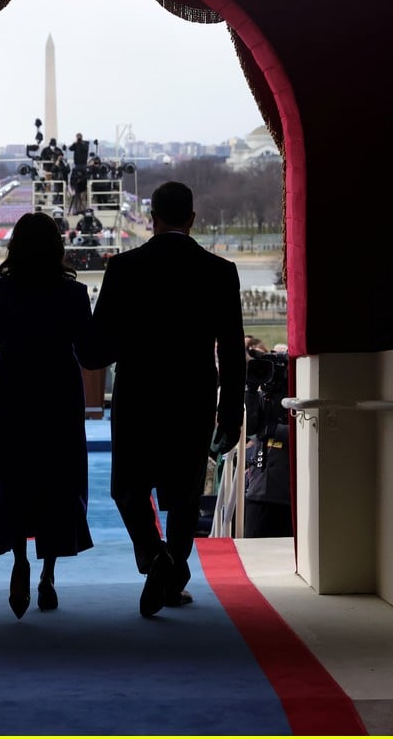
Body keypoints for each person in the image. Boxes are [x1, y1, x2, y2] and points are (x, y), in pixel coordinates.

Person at [84, 181, 245, 617]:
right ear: (192, 219)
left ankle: (156, 558)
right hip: (193, 398)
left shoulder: (124, 269)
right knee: (184, 496)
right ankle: (172, 579)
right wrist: (230, 414)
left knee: (128, 489)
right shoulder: (219, 271)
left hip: (138, 396)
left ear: (151, 219)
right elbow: (232, 351)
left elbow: (98, 350)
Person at [0, 211, 94, 619]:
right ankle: (48, 574)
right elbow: (89, 354)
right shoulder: (72, 294)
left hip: (13, 398)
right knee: (55, 484)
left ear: (13, 246)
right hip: (58, 399)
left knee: (14, 483)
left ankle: (19, 560)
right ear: (58, 248)